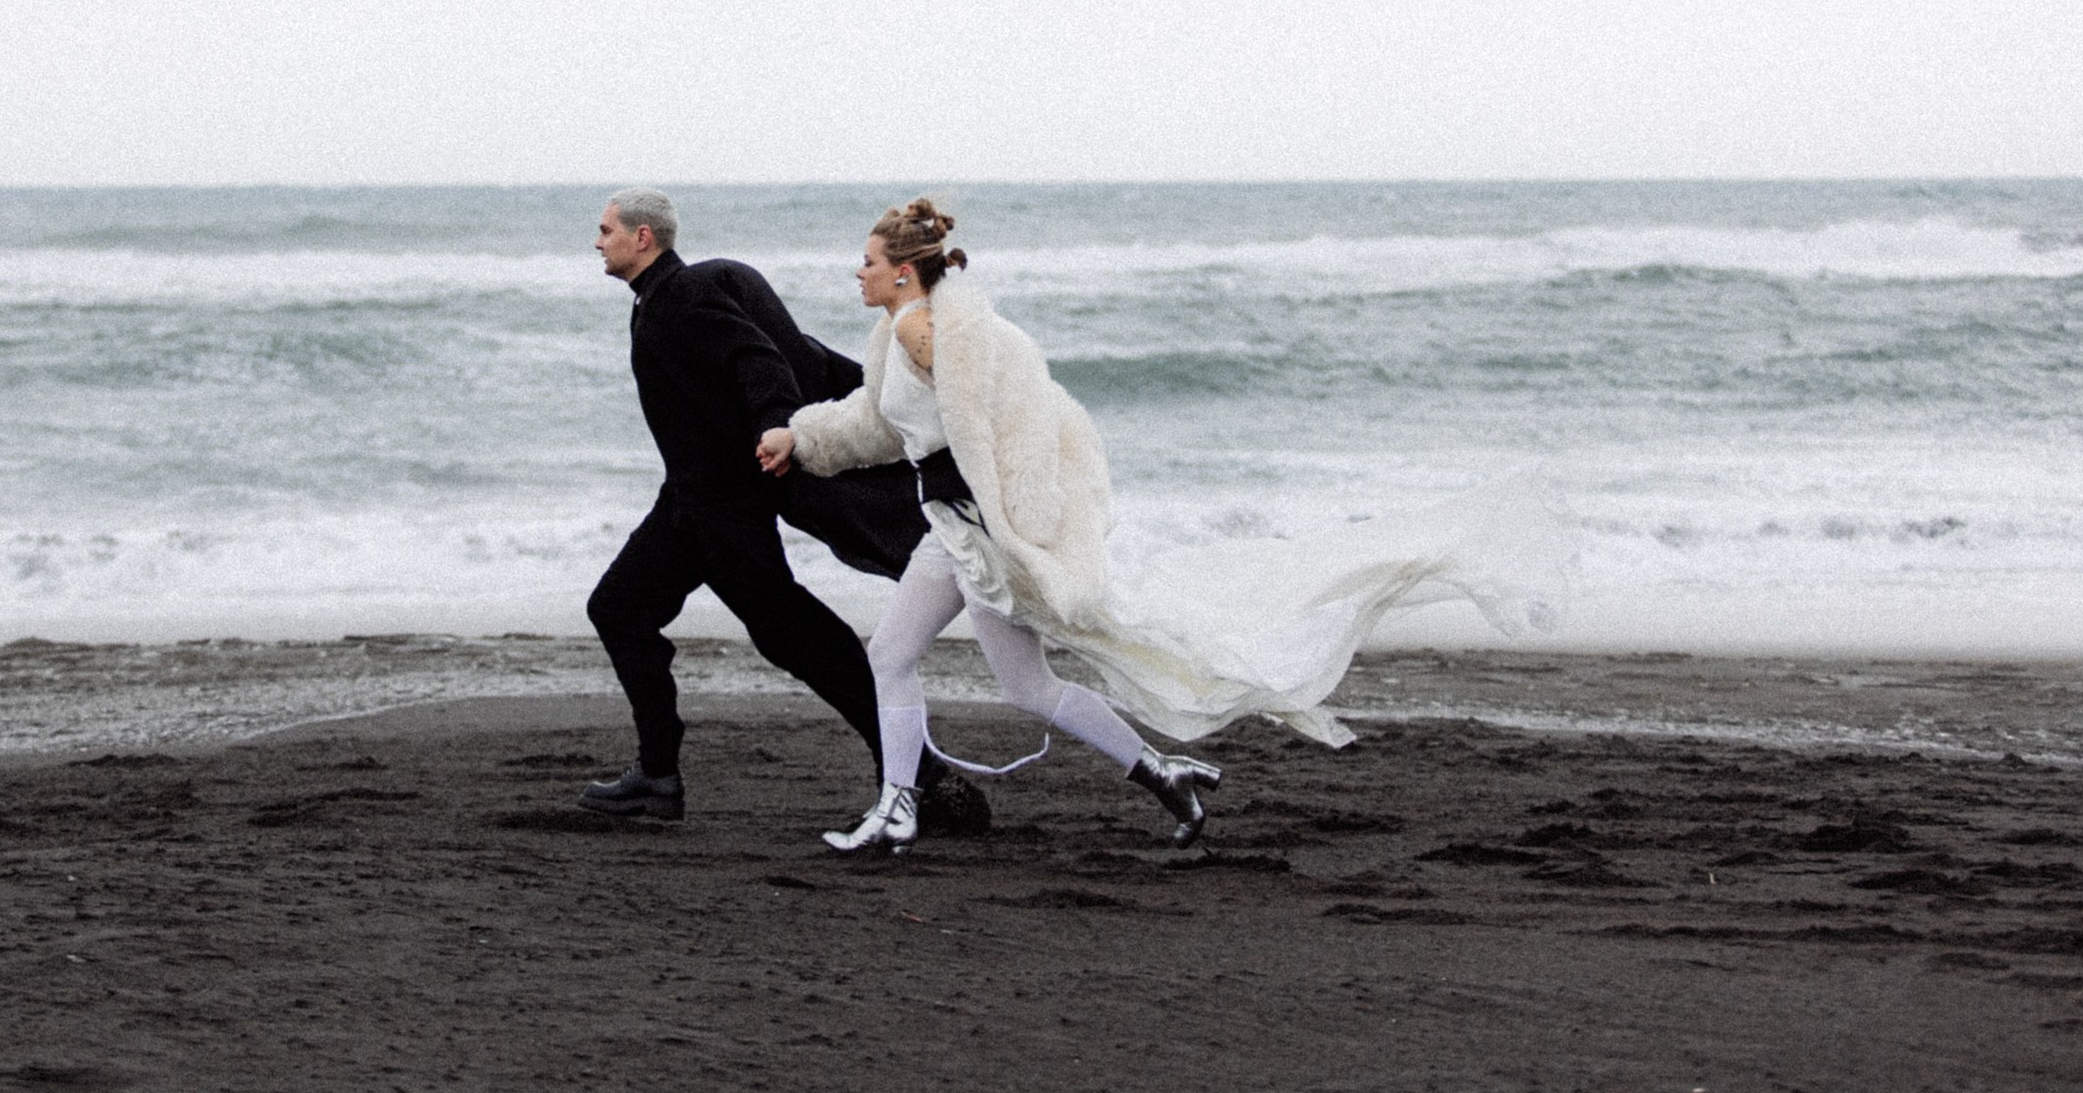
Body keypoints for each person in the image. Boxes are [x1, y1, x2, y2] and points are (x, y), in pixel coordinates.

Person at [760, 199, 1570, 853]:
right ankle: (1157, 770)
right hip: (959, 530)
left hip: (980, 536)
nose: (856, 272)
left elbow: (1016, 421)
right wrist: (802, 437)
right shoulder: (900, 333)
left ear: (902, 273)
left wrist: (1027, 525)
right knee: (1008, 682)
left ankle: (904, 805)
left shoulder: (926, 329)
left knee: (916, 660)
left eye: (867, 262)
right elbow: (879, 420)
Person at [577, 188, 932, 822]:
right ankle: (657, 774)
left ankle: (916, 772)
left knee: (798, 638)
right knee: (622, 610)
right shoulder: (655, 303)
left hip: (724, 508)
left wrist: (776, 429)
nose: (596, 241)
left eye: (606, 230)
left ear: (642, 239)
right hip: (689, 504)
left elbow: (760, 358)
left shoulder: (685, 297)